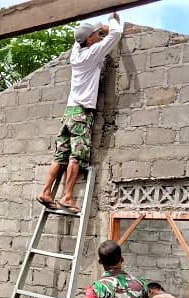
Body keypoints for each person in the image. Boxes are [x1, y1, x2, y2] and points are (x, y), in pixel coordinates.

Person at [36, 13, 123, 214]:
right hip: (81, 113)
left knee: (60, 154)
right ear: (90, 39)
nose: (98, 36)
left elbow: (90, 35)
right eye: (95, 35)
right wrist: (112, 20)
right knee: (76, 155)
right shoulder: (91, 55)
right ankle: (67, 197)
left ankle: (46, 192)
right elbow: (116, 33)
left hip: (68, 113)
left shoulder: (76, 51)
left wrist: (98, 30)